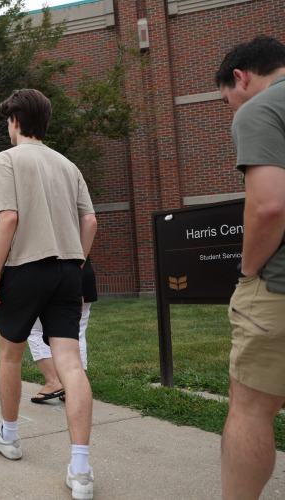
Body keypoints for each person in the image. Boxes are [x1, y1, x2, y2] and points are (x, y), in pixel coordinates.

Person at [0, 89, 97, 499]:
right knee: (70, 362)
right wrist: (78, 263)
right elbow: (90, 221)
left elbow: (9, 217)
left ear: (15, 119)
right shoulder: (68, 165)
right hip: (69, 269)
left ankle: (10, 437)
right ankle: (81, 470)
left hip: (25, 267)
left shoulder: (7, 160)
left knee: (9, 353)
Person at [214, 35, 285, 499]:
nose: (231, 109)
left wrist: (248, 270)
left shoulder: (261, 109)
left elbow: (268, 208)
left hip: (278, 287)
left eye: (227, 99)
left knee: (250, 409)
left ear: (241, 77)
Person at [28, 258, 97, 404]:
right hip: (80, 274)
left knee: (35, 329)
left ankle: (53, 382)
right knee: (78, 332)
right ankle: (75, 386)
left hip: (51, 276)